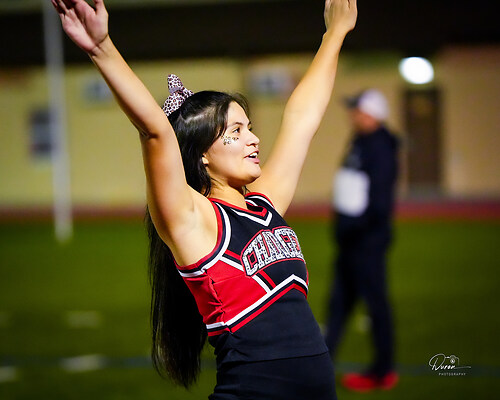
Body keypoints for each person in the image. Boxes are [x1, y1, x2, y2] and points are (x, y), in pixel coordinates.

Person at [51, 0, 357, 398]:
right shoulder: (193, 219)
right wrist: (100, 47)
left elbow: (301, 120)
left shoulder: (264, 205)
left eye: (249, 127)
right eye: (235, 132)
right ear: (202, 155)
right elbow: (155, 131)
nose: (253, 139)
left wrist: (334, 34)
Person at [325, 89, 399, 392]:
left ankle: (383, 370)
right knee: (338, 305)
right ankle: (320, 366)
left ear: (371, 114)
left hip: (366, 242)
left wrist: (357, 228)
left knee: (375, 305)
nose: (352, 115)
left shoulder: (379, 147)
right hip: (351, 241)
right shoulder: (360, 141)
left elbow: (378, 202)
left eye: (357, 110)